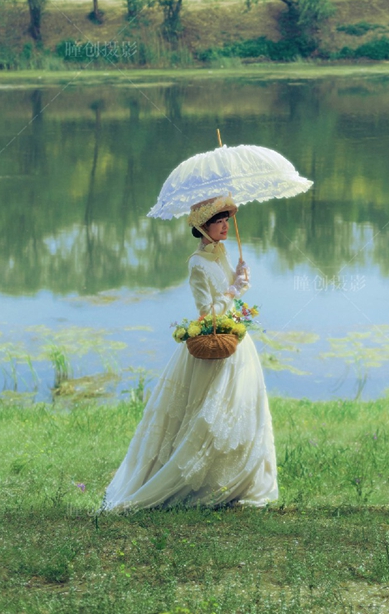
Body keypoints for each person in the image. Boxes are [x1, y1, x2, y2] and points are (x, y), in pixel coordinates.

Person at [103, 195, 278, 511]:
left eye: (226, 220)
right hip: (214, 345)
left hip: (237, 343)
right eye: (218, 221)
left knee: (243, 408)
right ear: (203, 226)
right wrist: (233, 291)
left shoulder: (222, 254)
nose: (225, 226)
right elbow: (206, 314)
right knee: (206, 418)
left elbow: (231, 302)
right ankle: (201, 483)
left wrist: (240, 283)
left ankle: (239, 481)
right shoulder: (197, 264)